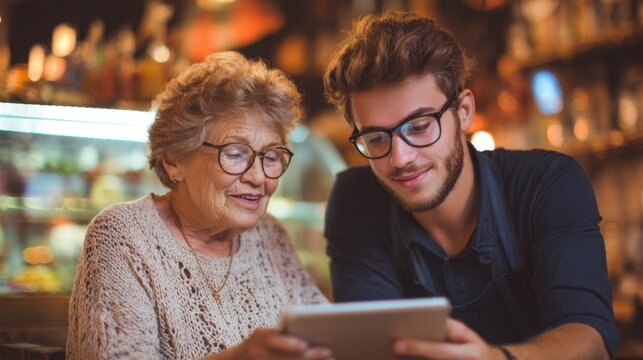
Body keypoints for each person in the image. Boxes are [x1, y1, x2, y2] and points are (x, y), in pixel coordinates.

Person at [323, 11, 618, 360]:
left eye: (419, 126)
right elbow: (371, 351)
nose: (399, 158)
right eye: (375, 138)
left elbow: (589, 336)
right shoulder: (358, 201)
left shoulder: (549, 182)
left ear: (463, 111)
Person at [67, 51, 332, 360]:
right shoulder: (123, 235)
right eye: (235, 153)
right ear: (174, 160)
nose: (259, 177)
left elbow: (330, 336)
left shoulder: (270, 235)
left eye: (271, 157)